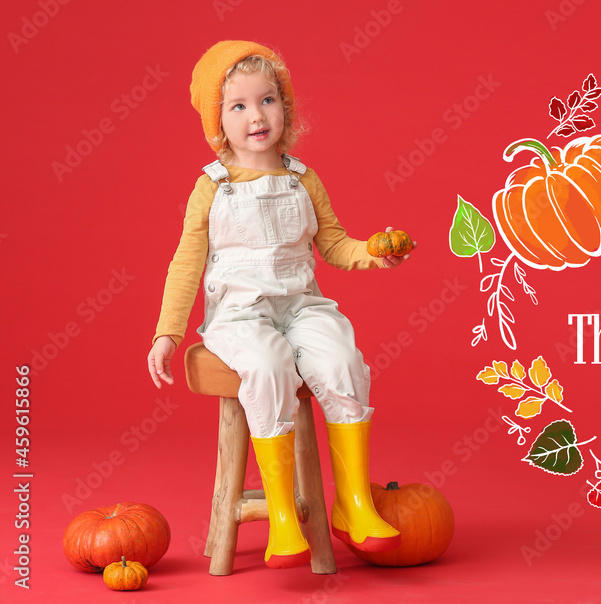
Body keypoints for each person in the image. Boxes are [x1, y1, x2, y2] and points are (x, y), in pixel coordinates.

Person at [146, 40, 411, 569]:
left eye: (267, 100)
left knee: (341, 358)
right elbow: (186, 263)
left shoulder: (302, 178)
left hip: (300, 306)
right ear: (217, 121)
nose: (256, 115)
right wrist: (167, 332)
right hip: (241, 317)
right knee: (266, 369)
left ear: (284, 108)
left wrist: (373, 253)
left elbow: (333, 244)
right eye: (238, 106)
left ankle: (352, 502)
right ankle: (284, 515)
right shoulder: (211, 188)